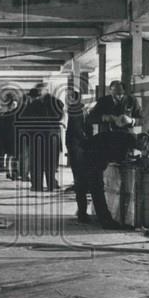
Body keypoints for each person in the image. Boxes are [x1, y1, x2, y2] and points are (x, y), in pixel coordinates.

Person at [81, 128, 149, 229]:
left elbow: (120, 156)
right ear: (142, 139)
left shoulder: (128, 137)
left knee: (95, 189)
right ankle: (106, 221)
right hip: (93, 157)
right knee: (97, 190)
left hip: (91, 154)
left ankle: (93, 217)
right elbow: (121, 160)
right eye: (143, 147)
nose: (141, 150)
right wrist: (136, 162)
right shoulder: (129, 139)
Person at [65, 89, 92, 223]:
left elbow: (77, 130)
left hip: (78, 148)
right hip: (79, 147)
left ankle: (82, 212)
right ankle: (82, 211)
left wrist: (85, 141)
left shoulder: (74, 110)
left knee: (80, 180)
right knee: (81, 180)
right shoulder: (79, 110)